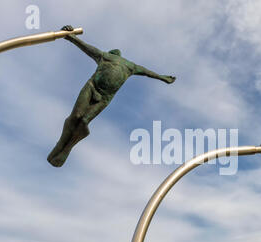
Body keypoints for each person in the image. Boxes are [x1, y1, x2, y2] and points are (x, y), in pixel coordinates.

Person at [48, 25, 176, 167]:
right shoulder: (106, 57)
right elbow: (86, 47)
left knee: (83, 121)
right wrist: (70, 36)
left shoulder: (128, 65)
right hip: (91, 87)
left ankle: (67, 146)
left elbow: (146, 72)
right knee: (76, 116)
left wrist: (162, 77)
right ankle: (62, 144)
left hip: (104, 98)